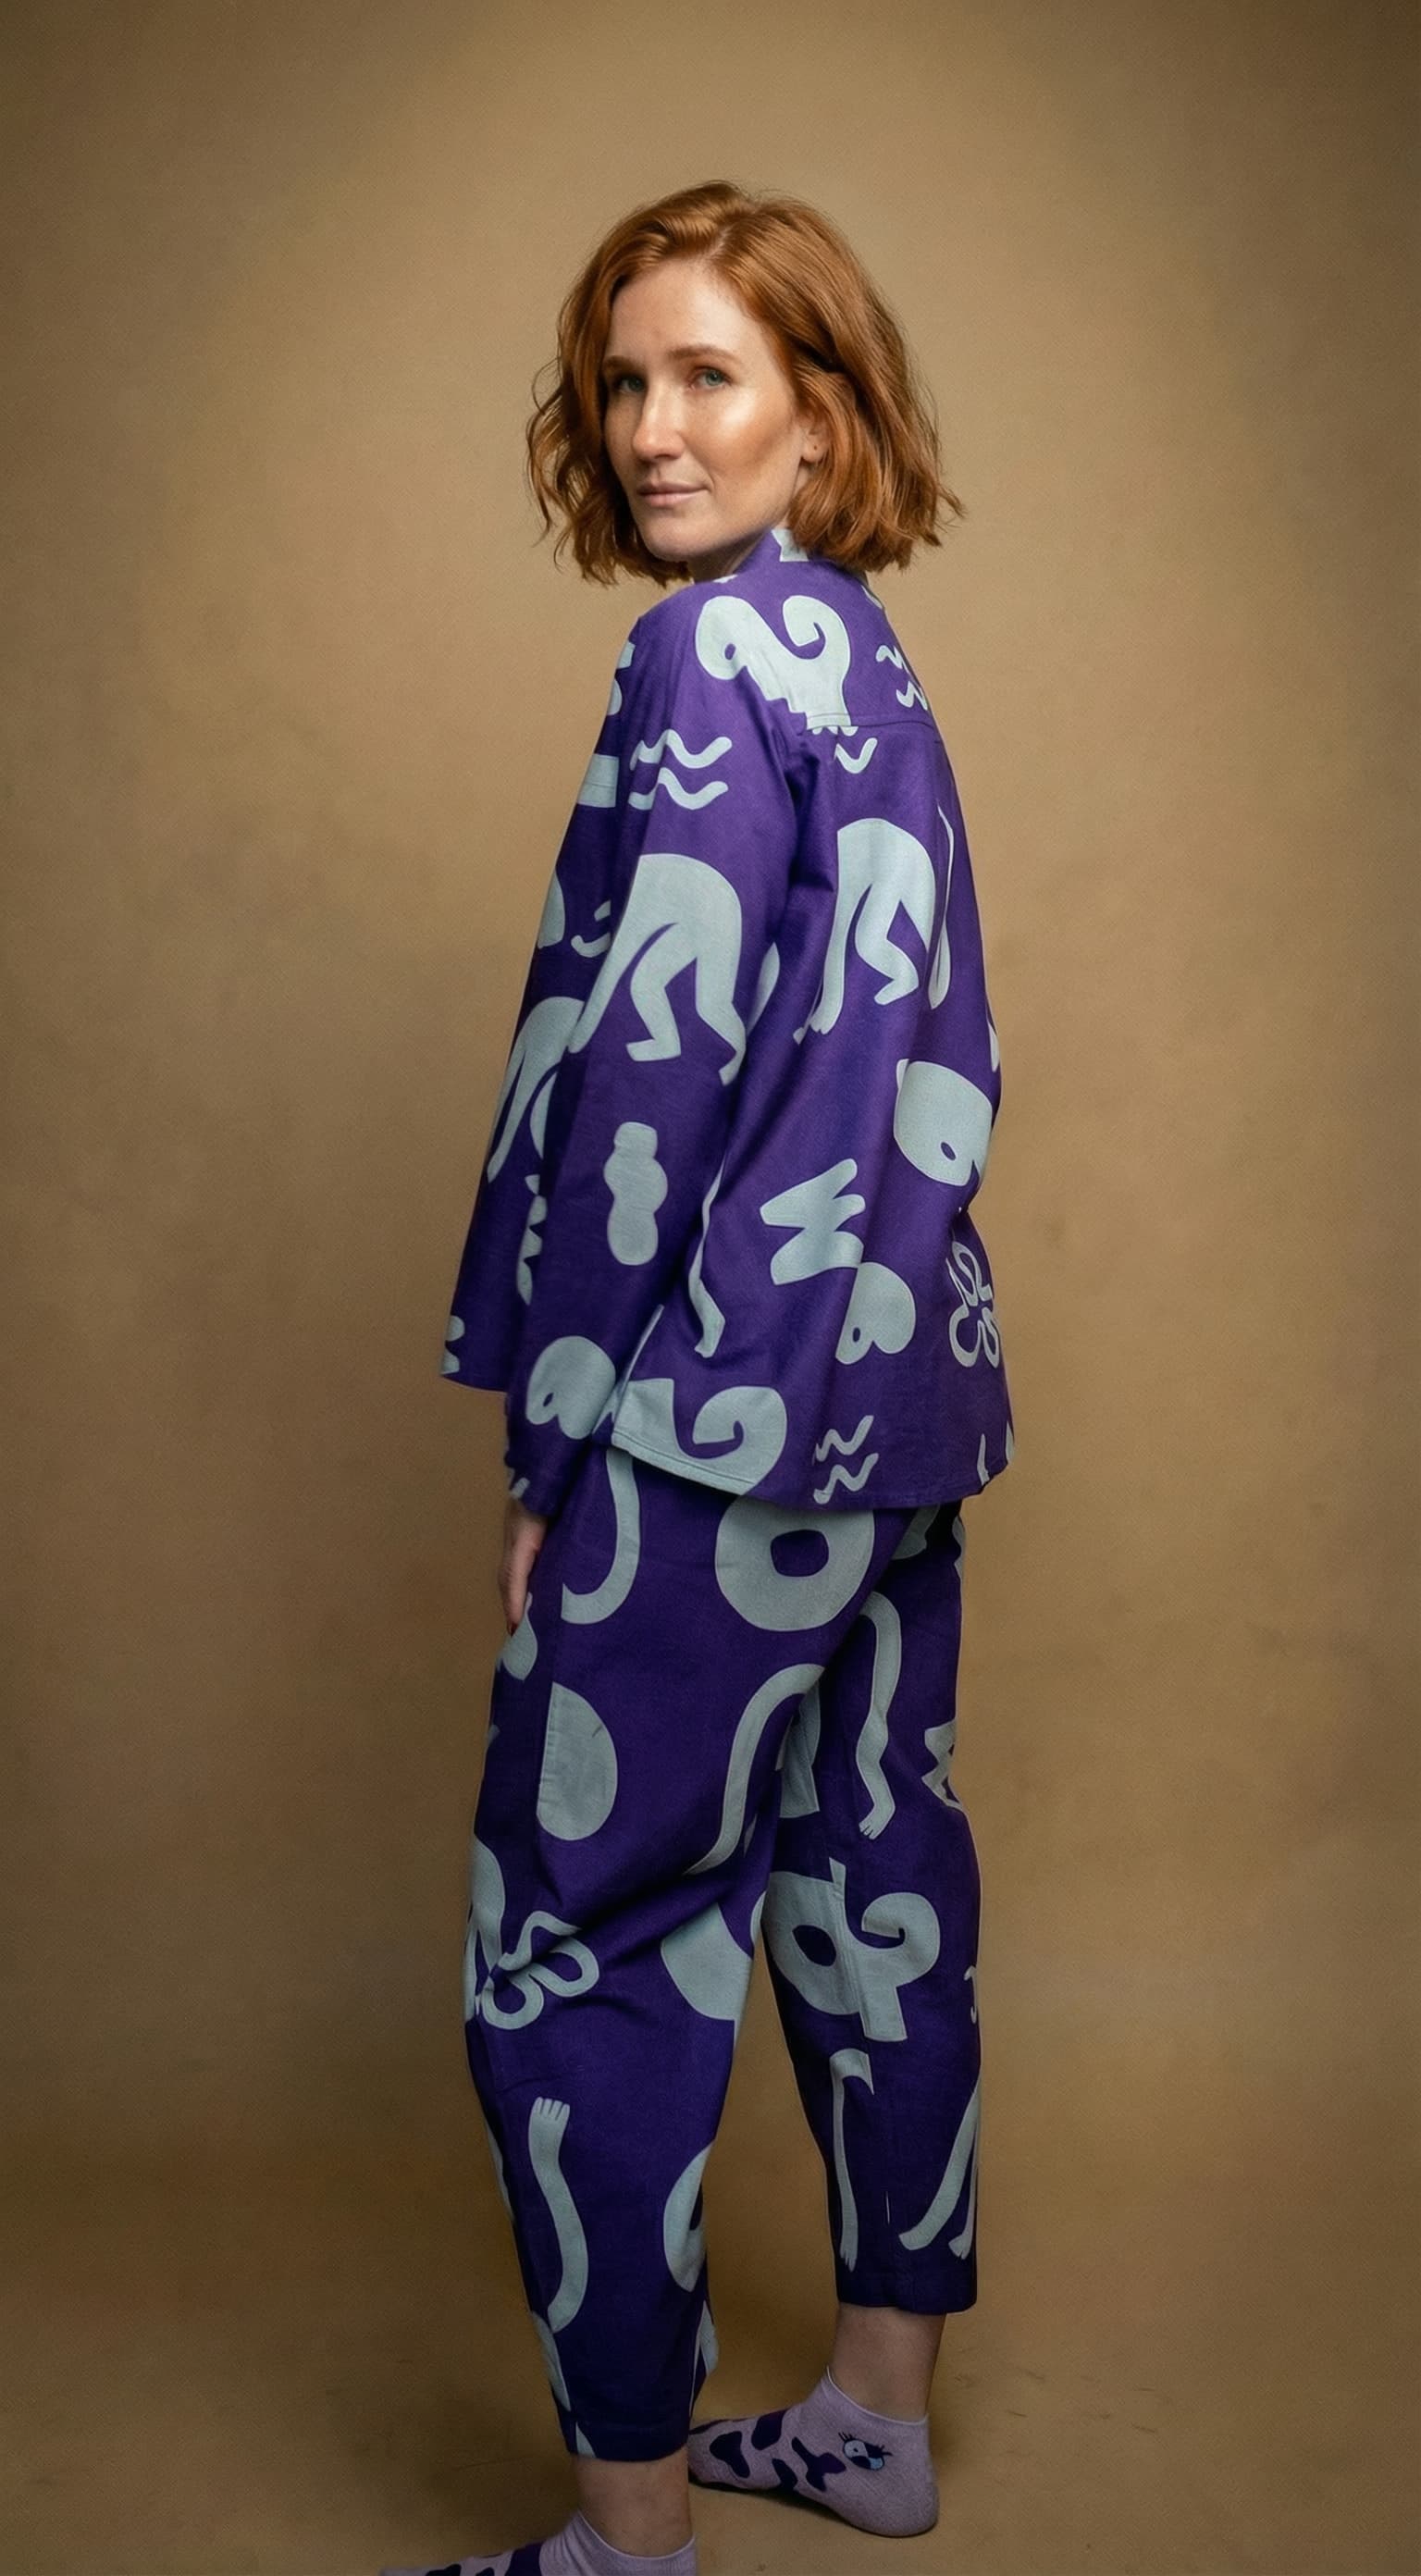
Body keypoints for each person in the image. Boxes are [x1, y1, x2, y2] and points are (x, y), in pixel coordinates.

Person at [387, 179, 1015, 2576]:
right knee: (873, 1886)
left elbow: (647, 1095)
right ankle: (875, 2420)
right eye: (625, 381)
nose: (654, 426)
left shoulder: (703, 657)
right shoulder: (868, 662)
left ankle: (627, 2534)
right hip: (890, 1405)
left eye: (710, 378)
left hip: (697, 1423)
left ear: (821, 418)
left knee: (580, 1952)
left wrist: (555, 1443)